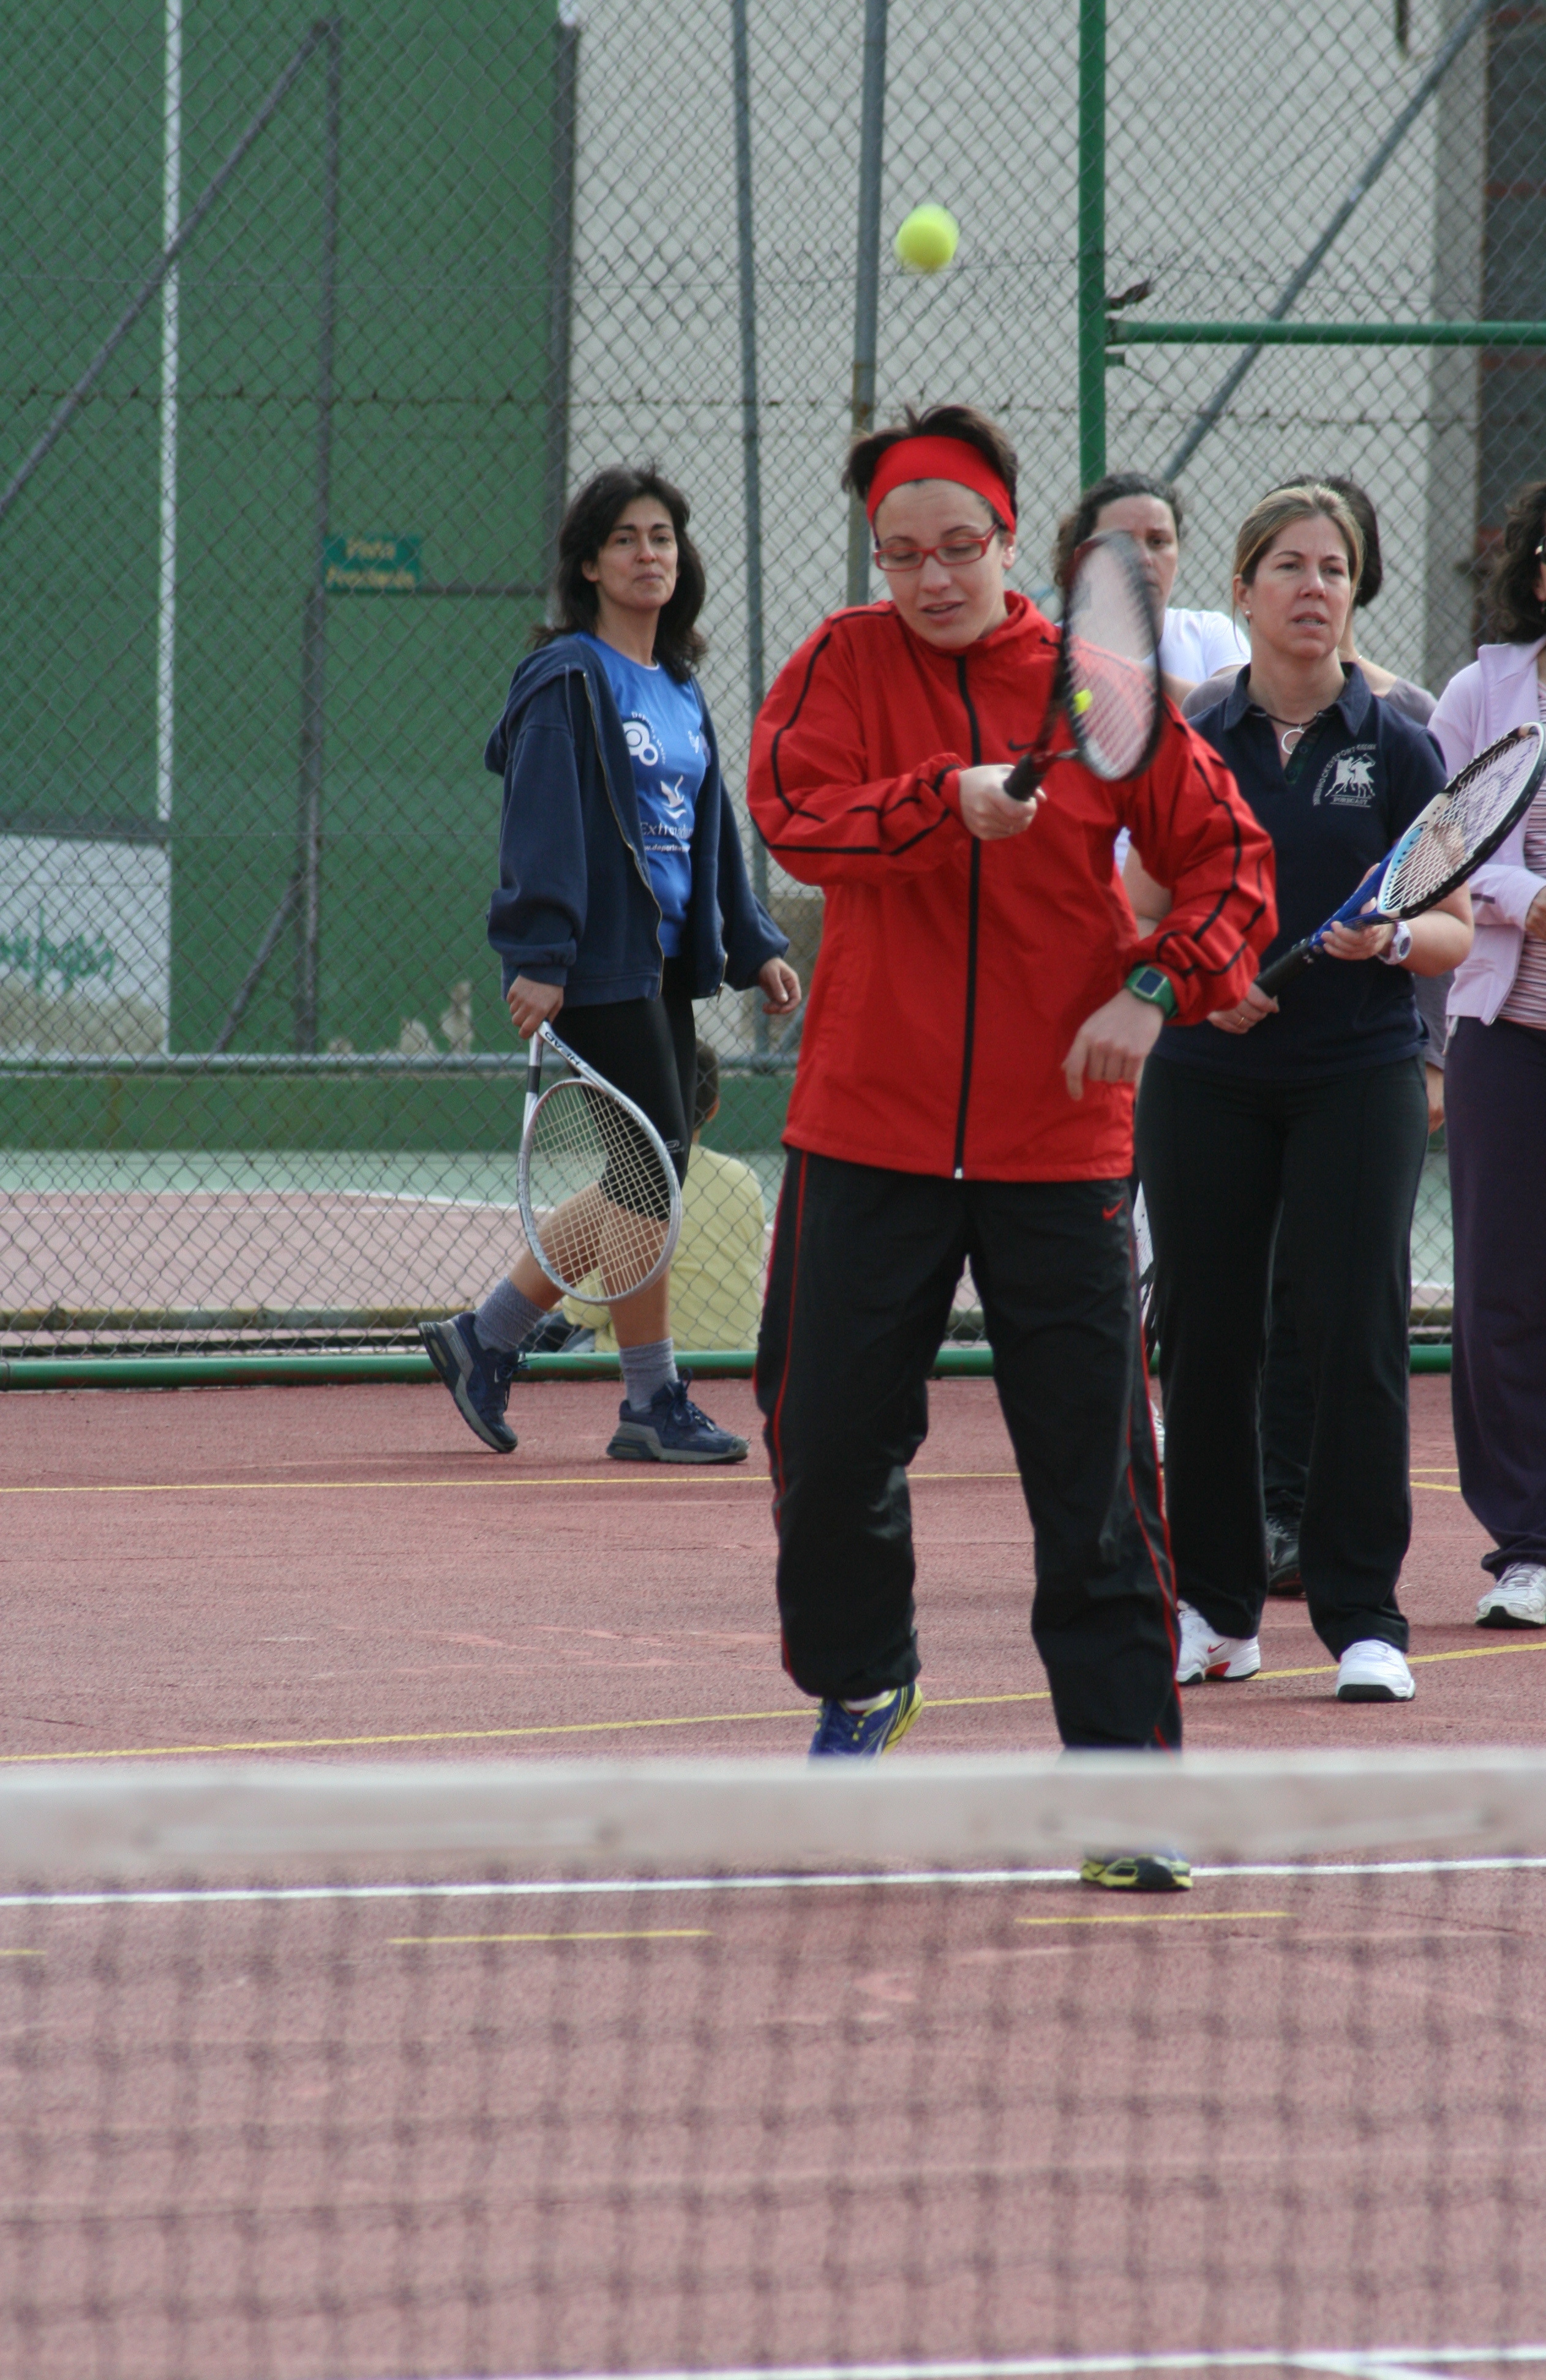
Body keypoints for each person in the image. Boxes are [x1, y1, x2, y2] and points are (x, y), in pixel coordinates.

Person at [746, 400, 1275, 1889]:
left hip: (1061, 1146)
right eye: (901, 552)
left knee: (1093, 1487)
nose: (931, 577)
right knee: (821, 1441)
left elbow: (1233, 862)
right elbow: (793, 815)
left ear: (1005, 539)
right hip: (867, 1128)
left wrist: (1157, 989)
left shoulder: (1103, 691)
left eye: (957, 547)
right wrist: (943, 802)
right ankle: (865, 1680)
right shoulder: (838, 664)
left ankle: (1123, 1785)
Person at [1133, 483, 1472, 1704]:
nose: (1314, 587)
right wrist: (1196, 979)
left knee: (1354, 1333)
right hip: (1204, 1075)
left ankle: (1365, 1618)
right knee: (1206, 1337)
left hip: (1356, 1074)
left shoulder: (1401, 743)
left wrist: (1392, 938)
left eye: (1335, 568)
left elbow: (1453, 926)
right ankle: (1216, 1612)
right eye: (1289, 565)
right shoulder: (1190, 736)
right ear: (1242, 589)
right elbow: (1137, 907)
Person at [421, 465, 799, 1463]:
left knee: (651, 1168)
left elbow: (709, 830)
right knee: (655, 1166)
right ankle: (648, 1400)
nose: (647, 554)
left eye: (661, 537)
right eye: (625, 538)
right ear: (588, 564)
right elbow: (540, 818)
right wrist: (540, 952)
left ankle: (486, 1337)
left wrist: (754, 942)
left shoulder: (678, 686)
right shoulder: (567, 677)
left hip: (662, 963)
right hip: (592, 963)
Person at [1432, 465, 1546, 1630]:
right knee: (1507, 1298)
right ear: (1533, 572)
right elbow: (1436, 845)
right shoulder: (1481, 692)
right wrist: (1521, 893)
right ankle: (1535, 1548)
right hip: (1514, 1037)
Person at [561, 1042, 768, 1354]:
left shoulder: (631, 1183)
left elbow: (584, 1311)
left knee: (558, 1339)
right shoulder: (744, 1179)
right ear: (714, 1109)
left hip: (647, 1354)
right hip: (737, 1351)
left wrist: (570, 1305)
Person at [1052, 470, 1248, 701]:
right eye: (1122, 542)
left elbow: (1241, 711)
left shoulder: (1212, 633)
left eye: (1157, 542)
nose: (1144, 558)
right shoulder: (1048, 648)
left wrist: (1125, 675)